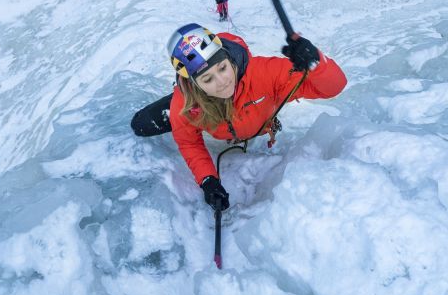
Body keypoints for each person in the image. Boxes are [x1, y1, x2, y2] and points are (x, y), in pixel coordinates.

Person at [130, 23, 346, 211]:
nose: (222, 81)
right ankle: (179, 98)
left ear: (228, 58)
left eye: (222, 68)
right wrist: (207, 180)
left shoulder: (264, 74)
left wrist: (316, 63)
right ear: (195, 84)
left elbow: (333, 87)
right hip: (196, 103)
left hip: (244, 107)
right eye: (207, 78)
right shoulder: (186, 105)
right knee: (140, 124)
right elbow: (189, 143)